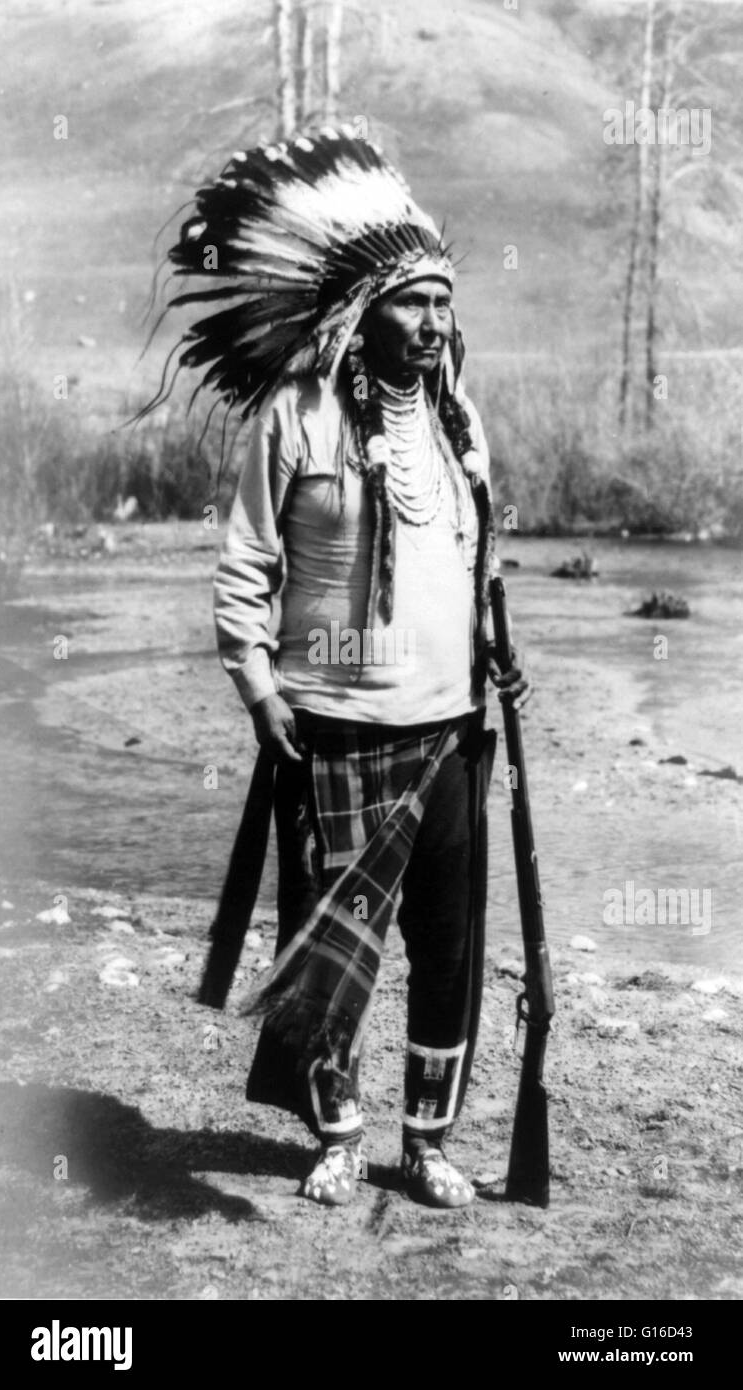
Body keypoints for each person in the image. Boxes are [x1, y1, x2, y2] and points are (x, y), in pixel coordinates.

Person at [163, 129, 529, 1208]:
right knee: (330, 947)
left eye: (444, 303)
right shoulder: (297, 416)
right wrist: (260, 687)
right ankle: (338, 1134)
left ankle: (426, 1142)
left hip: (449, 733)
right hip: (330, 727)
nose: (433, 323)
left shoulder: (463, 427)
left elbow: (474, 565)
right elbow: (243, 565)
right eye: (413, 303)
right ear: (363, 311)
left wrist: (499, 660)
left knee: (448, 951)